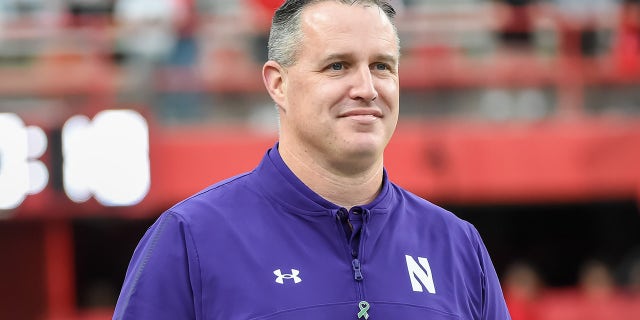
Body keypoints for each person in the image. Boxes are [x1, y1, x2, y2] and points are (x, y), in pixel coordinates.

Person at [112, 1, 512, 319]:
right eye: (338, 66)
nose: (366, 88)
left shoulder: (457, 244)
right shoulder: (190, 239)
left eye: (381, 67)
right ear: (278, 83)